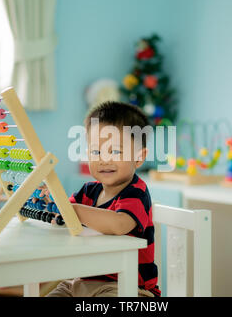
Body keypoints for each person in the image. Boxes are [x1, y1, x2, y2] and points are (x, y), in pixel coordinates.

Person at [39, 101, 160, 297]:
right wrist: (51, 199)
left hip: (126, 286)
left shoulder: (136, 192)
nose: (104, 160)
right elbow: (61, 215)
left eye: (115, 151)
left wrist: (75, 210)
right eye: (96, 152)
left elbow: (119, 224)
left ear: (139, 157)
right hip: (78, 282)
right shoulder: (88, 191)